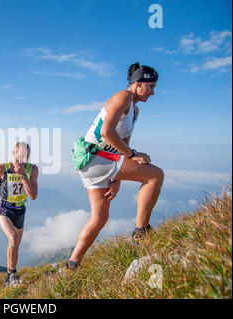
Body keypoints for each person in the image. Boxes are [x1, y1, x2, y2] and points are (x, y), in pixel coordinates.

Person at [66, 62, 164, 271]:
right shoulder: (123, 97)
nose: (153, 92)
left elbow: (124, 144)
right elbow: (107, 132)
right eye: (151, 86)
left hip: (97, 162)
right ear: (137, 84)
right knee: (155, 175)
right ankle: (141, 231)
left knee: (99, 217)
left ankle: (72, 264)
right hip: (97, 158)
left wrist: (117, 180)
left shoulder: (134, 111)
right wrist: (134, 155)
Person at [0, 142, 39, 286]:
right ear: (14, 153)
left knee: (15, 244)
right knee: (13, 238)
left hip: (20, 210)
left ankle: (9, 275)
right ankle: (13, 274)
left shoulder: (32, 169)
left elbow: (33, 196)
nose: (24, 159)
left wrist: (23, 176)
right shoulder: (2, 168)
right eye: (21, 156)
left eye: (27, 156)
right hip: (4, 208)